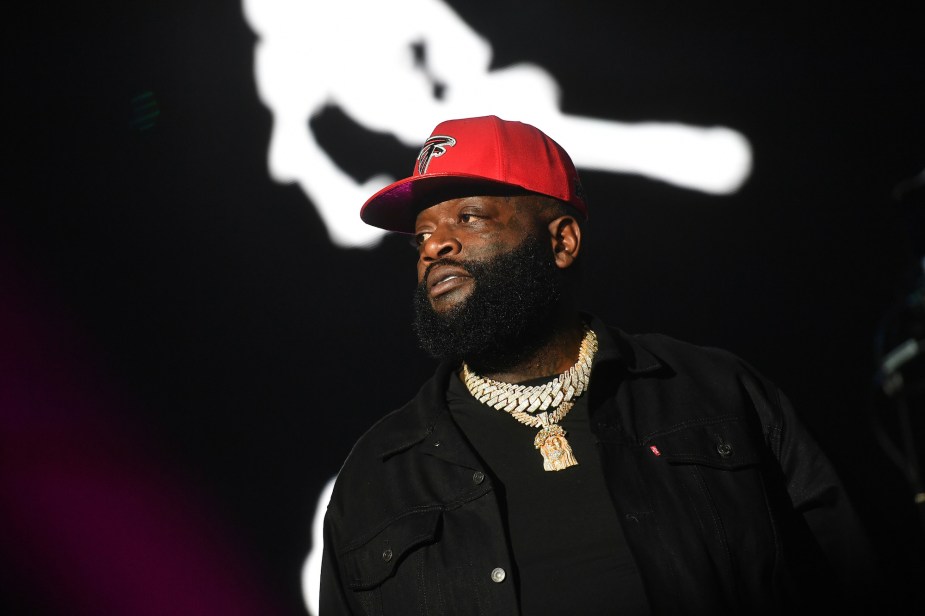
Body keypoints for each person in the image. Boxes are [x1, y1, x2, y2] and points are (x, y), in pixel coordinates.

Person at [319, 115, 872, 614]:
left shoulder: (715, 392)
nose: (434, 247)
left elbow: (850, 579)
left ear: (562, 242)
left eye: (468, 217)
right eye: (422, 235)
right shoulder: (377, 479)